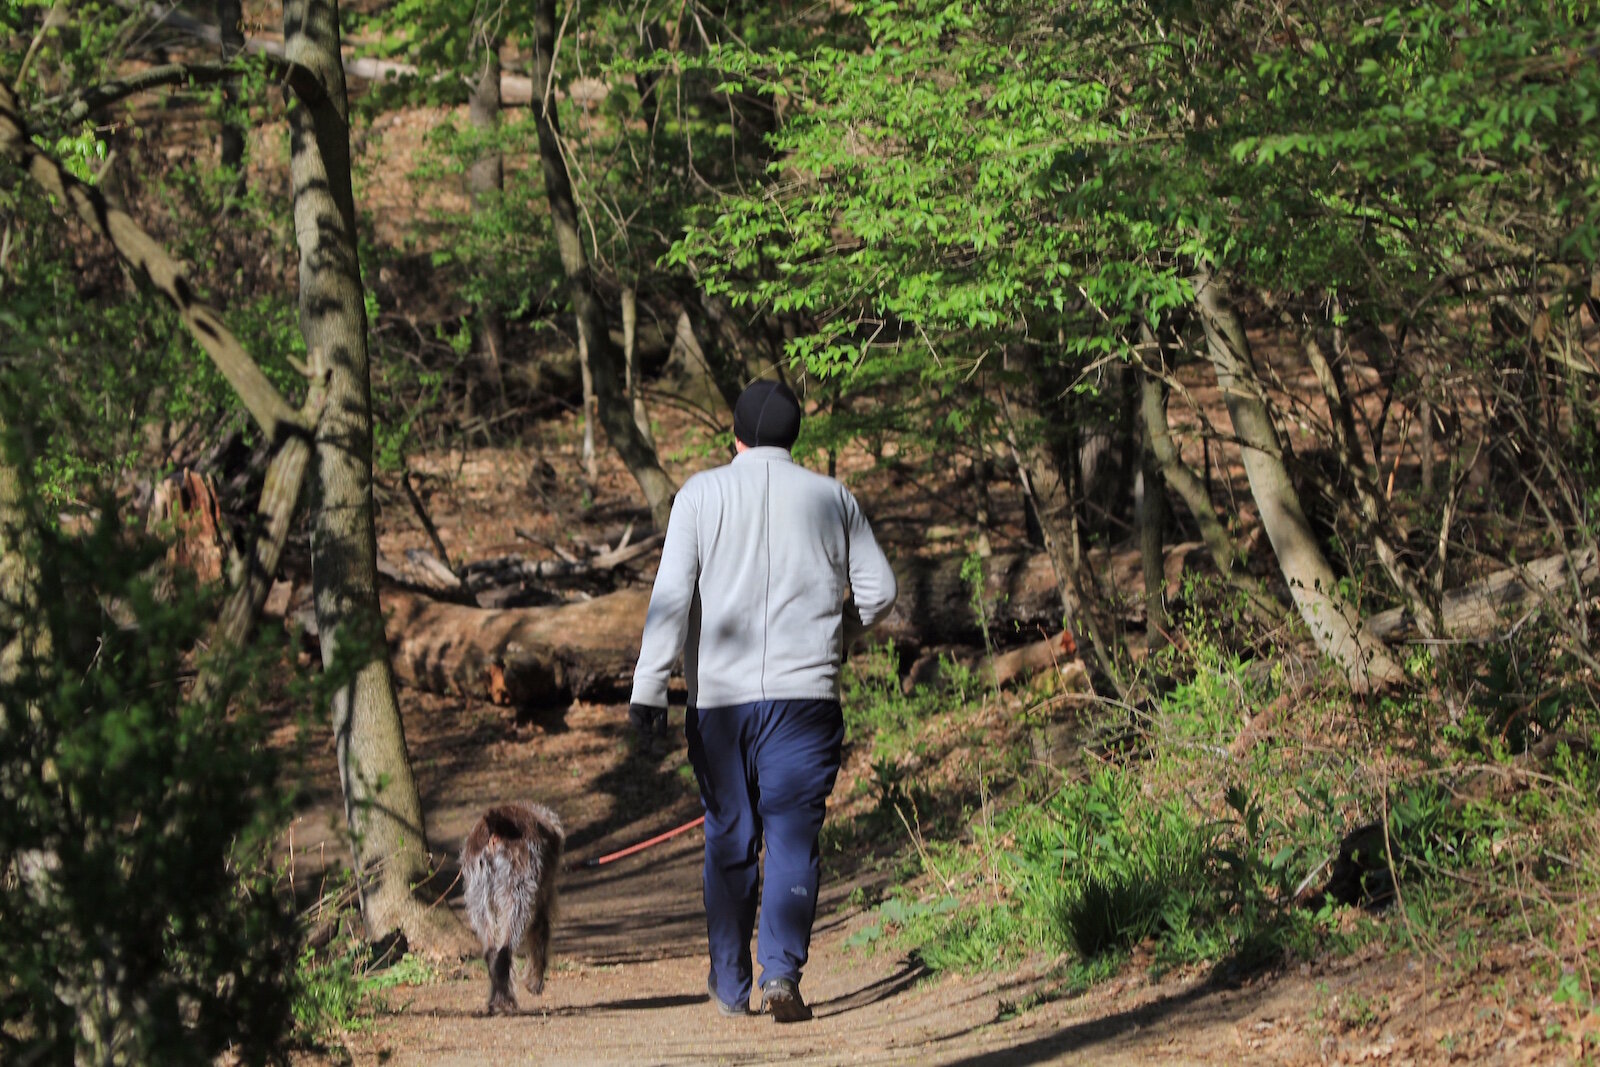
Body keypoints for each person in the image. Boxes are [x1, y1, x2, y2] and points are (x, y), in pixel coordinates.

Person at [628, 380, 898, 1023]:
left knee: (730, 835)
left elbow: (670, 600)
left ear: (736, 436)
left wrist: (648, 691)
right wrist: (842, 633)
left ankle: (728, 982)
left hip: (719, 704)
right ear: (795, 437)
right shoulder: (833, 498)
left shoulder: (700, 494)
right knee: (792, 835)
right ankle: (781, 971)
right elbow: (880, 591)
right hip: (805, 700)